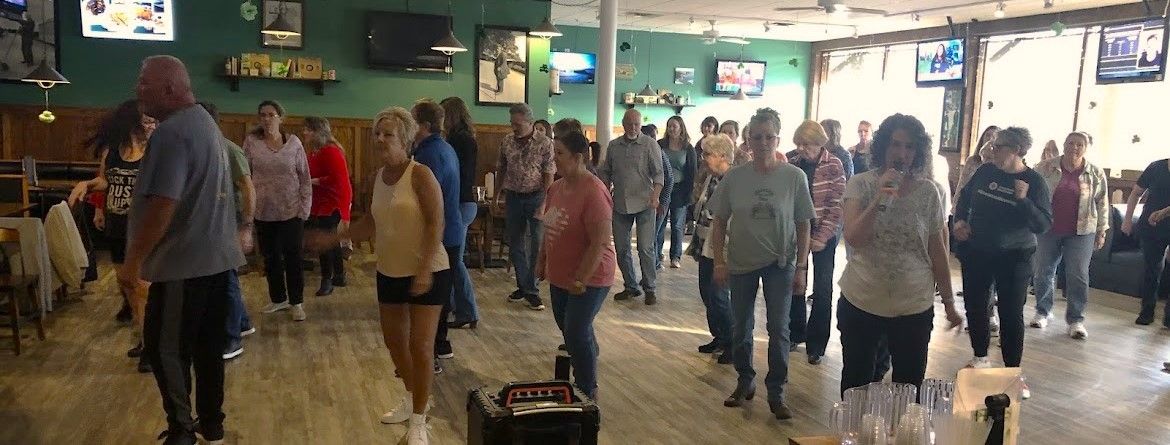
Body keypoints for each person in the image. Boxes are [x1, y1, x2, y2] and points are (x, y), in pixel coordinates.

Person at [119, 55, 246, 445]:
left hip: (182, 266)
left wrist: (133, 262)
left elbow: (162, 205)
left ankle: (181, 430)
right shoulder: (206, 124)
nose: (138, 91)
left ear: (170, 89)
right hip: (215, 261)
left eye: (144, 84)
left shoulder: (172, 133)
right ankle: (211, 423)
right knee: (208, 347)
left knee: (165, 348)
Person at [340, 107, 450, 445]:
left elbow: (436, 223)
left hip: (427, 270)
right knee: (394, 343)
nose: (380, 139)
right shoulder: (378, 179)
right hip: (389, 269)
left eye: (388, 134)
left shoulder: (420, 175)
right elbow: (372, 223)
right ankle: (412, 397)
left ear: (405, 139)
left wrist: (423, 268)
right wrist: (337, 236)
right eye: (377, 133)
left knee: (420, 346)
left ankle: (419, 421)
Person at [838, 113, 964, 395]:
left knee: (908, 388)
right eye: (896, 145)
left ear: (917, 153)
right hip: (863, 300)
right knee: (856, 385)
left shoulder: (929, 192)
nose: (902, 153)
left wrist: (949, 302)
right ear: (883, 146)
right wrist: (880, 199)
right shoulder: (861, 184)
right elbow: (853, 238)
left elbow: (937, 251)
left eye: (909, 147)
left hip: (912, 306)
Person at [711, 107, 814, 420]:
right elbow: (719, 221)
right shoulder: (734, 177)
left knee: (778, 328)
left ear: (778, 139)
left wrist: (801, 268)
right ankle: (745, 380)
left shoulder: (794, 177)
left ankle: (777, 390)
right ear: (748, 141)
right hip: (741, 261)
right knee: (741, 325)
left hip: (780, 263)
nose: (764, 142)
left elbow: (804, 224)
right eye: (757, 137)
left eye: (769, 136)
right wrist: (719, 261)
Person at [953, 127, 1051, 400]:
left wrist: (1023, 201)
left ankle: (1013, 373)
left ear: (1017, 149)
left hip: (1015, 256)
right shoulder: (985, 172)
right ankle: (980, 356)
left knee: (1010, 313)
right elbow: (963, 198)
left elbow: (1042, 224)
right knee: (975, 304)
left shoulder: (1034, 182)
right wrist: (959, 221)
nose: (992, 151)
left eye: (999, 147)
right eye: (993, 146)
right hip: (978, 251)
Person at [67, 99, 157, 373]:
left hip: (141, 228)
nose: (150, 126)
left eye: (152, 121)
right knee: (127, 283)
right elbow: (105, 180)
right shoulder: (112, 152)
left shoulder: (153, 152)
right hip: (117, 226)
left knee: (142, 287)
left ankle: (150, 345)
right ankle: (144, 339)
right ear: (131, 123)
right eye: (146, 121)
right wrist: (86, 185)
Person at [534, 131, 617, 399]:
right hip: (560, 275)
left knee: (576, 331)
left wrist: (581, 278)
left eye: (559, 153)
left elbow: (600, 241)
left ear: (578, 157)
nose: (554, 159)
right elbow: (548, 228)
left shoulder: (594, 191)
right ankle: (588, 355)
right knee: (569, 330)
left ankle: (586, 389)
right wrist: (541, 261)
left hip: (590, 276)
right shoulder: (556, 187)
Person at [1031, 132, 1108, 339]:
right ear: (1064, 145)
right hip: (1048, 229)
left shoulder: (1095, 173)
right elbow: (1033, 193)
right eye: (1070, 143)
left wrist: (1102, 230)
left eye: (1080, 144)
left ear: (1086, 147)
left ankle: (1076, 320)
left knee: (1078, 274)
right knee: (1043, 271)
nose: (1074, 147)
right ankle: (1042, 311)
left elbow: (1102, 203)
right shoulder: (1045, 167)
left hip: (1082, 231)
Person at [784, 120, 846, 366]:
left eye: (806, 144)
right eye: (798, 144)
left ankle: (817, 344)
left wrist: (821, 237)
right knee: (795, 282)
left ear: (820, 144)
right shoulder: (792, 162)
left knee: (822, 288)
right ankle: (794, 332)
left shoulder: (834, 165)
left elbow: (837, 204)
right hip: (797, 231)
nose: (801, 149)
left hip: (824, 234)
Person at [244, 100, 312, 322]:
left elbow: (304, 178)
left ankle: (296, 302)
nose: (266, 119)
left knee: (293, 257)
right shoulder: (252, 143)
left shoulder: (294, 143)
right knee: (270, 257)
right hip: (263, 210)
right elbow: (244, 174)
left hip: (291, 210)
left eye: (271, 114)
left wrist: (305, 207)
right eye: (262, 115)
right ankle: (278, 298)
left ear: (281, 118)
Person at [199, 101, 257, 361]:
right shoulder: (201, 150)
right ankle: (243, 322)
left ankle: (231, 337)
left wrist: (246, 226)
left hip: (229, 221)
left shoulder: (229, 150)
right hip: (209, 222)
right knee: (225, 276)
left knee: (226, 279)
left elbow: (248, 188)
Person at [411, 101, 464, 366]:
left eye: (412, 121)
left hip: (440, 233)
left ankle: (430, 356)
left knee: (432, 297)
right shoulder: (445, 148)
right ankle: (442, 345)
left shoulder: (428, 156)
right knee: (442, 293)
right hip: (452, 230)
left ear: (424, 125)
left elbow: (426, 201)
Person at [599, 109, 665, 305]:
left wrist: (656, 196)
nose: (633, 127)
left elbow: (659, 175)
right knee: (621, 248)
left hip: (645, 202)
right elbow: (606, 172)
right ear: (623, 123)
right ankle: (630, 286)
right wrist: (605, 193)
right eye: (629, 123)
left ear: (640, 125)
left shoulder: (650, 145)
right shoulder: (614, 146)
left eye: (636, 124)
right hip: (620, 203)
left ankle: (650, 287)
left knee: (645, 248)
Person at [495, 103, 555, 310]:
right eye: (512, 123)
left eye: (518, 124)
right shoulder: (507, 141)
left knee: (536, 244)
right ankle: (524, 286)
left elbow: (549, 174)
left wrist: (545, 203)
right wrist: (496, 196)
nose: (514, 128)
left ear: (530, 122)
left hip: (536, 196)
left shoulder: (545, 143)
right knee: (515, 243)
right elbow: (501, 168)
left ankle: (531, 288)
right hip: (513, 196)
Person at [689, 133, 736, 364]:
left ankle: (731, 343)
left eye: (708, 154)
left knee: (719, 296)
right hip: (704, 242)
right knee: (706, 293)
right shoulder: (711, 177)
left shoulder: (733, 180)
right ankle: (719, 336)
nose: (703, 158)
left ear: (723, 156)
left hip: (722, 247)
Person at [440, 97, 481, 329]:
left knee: (454, 260)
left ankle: (467, 310)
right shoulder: (464, 138)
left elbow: (459, 177)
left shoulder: (459, 140)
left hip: (460, 204)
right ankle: (456, 305)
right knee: (452, 258)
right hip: (465, 202)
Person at [303, 116, 352, 297]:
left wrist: (311, 181)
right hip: (321, 201)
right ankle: (339, 275)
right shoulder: (315, 151)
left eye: (308, 129)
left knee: (323, 240)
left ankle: (327, 279)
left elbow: (337, 179)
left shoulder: (331, 151)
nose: (305, 132)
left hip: (333, 201)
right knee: (331, 239)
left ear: (318, 132)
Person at [1122, 152, 1170, 326]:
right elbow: (1136, 193)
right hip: (1151, 226)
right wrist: (1127, 220)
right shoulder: (1156, 167)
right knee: (1152, 269)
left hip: (1161, 219)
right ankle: (1147, 311)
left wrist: (1163, 213)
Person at [657, 116, 696, 269]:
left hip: (680, 190)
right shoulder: (660, 145)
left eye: (674, 126)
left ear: (681, 128)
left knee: (677, 225)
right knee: (659, 223)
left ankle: (675, 256)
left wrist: (690, 193)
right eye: (669, 126)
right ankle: (658, 256)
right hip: (663, 189)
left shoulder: (688, 148)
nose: (672, 129)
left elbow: (692, 172)